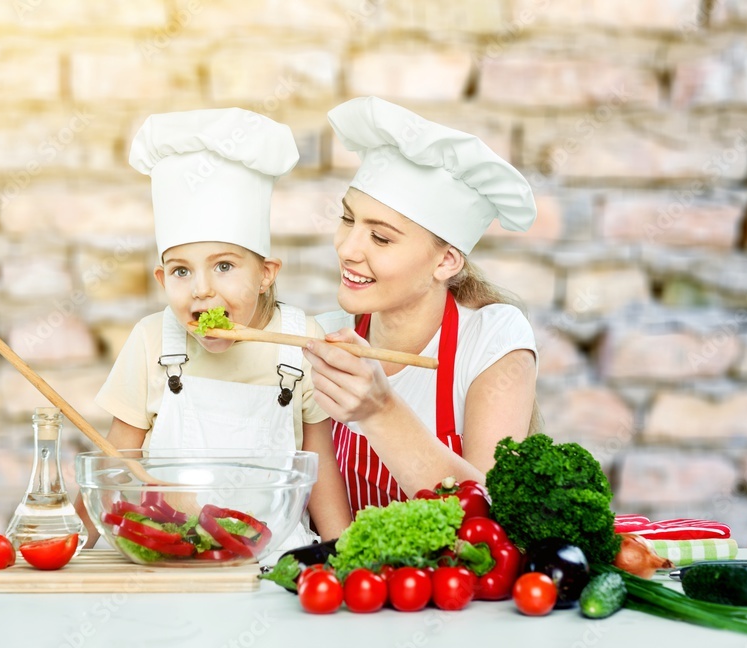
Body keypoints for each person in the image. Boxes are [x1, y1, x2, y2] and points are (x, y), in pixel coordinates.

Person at [77, 108, 352, 549]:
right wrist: (75, 543)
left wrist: (345, 552)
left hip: (270, 556)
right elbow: (115, 462)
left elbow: (319, 466)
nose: (202, 291)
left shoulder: (304, 343)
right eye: (181, 271)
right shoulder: (152, 341)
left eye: (224, 266)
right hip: (167, 556)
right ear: (162, 280)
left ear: (265, 273)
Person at [304, 96, 541, 517]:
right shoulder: (324, 335)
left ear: (446, 261)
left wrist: (380, 410)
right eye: (347, 219)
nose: (347, 248)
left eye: (380, 238)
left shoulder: (493, 340)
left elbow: (491, 519)